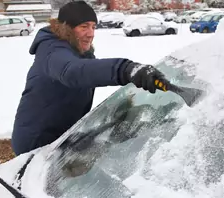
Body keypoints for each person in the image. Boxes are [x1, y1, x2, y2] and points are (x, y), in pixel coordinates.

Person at [11, 1, 169, 156]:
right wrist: (125, 69)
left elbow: (91, 74)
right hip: (36, 144)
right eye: (84, 26)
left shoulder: (80, 53)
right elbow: (72, 72)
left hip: (61, 138)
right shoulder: (52, 50)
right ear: (66, 28)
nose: (91, 33)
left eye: (93, 26)